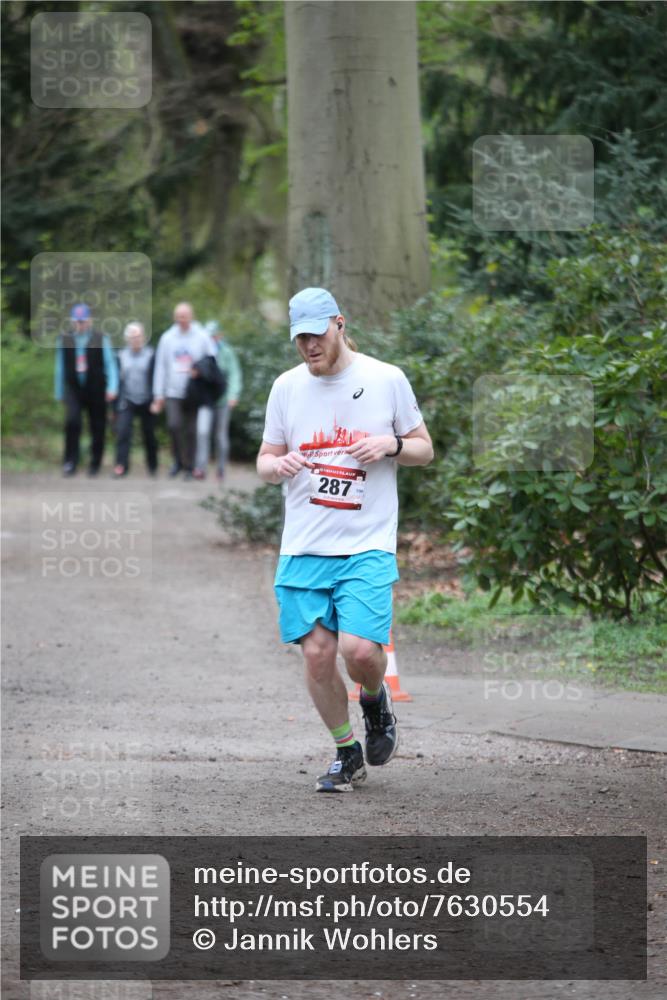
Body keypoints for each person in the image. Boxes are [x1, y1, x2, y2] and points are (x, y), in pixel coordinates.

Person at [257, 287, 433, 792]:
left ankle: (376, 702)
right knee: (316, 654)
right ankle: (345, 752)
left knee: (359, 653)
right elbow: (265, 459)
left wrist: (392, 444)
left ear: (339, 323)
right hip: (305, 546)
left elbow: (425, 449)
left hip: (366, 543)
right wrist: (277, 466)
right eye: (299, 338)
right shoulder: (286, 387)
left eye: (316, 335)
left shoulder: (385, 379)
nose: (308, 346)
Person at [150, 302, 216, 479]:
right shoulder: (167, 338)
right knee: (174, 425)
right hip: (173, 391)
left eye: (185, 316)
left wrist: (199, 370)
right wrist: (158, 394)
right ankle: (178, 461)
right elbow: (161, 366)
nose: (182, 320)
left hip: (194, 391)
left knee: (191, 430)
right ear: (175, 318)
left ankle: (189, 466)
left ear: (191, 316)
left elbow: (211, 360)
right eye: (179, 317)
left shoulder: (202, 336)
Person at [54, 303, 119, 476]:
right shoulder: (64, 338)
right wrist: (59, 391)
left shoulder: (101, 338)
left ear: (89, 320)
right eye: (77, 321)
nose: (80, 324)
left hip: (96, 388)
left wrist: (112, 387)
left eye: (83, 321)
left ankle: (95, 463)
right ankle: (70, 462)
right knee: (72, 422)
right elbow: (60, 367)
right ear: (72, 321)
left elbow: (110, 364)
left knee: (97, 426)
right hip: (74, 388)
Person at [193, 320, 243, 481]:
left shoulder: (227, 352)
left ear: (219, 336)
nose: (210, 340)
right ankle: (200, 468)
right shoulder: (200, 352)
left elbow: (235, 374)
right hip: (205, 401)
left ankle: (220, 469)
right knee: (202, 432)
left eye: (213, 336)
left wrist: (233, 396)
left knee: (220, 436)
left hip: (222, 401)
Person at [113, 322, 157, 478]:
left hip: (147, 400)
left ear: (143, 337)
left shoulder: (151, 354)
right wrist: (115, 404)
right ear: (127, 339)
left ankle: (152, 466)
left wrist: (156, 399)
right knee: (123, 432)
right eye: (132, 337)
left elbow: (156, 378)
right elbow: (117, 380)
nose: (136, 340)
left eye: (138, 337)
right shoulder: (121, 355)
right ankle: (121, 466)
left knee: (149, 434)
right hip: (127, 400)